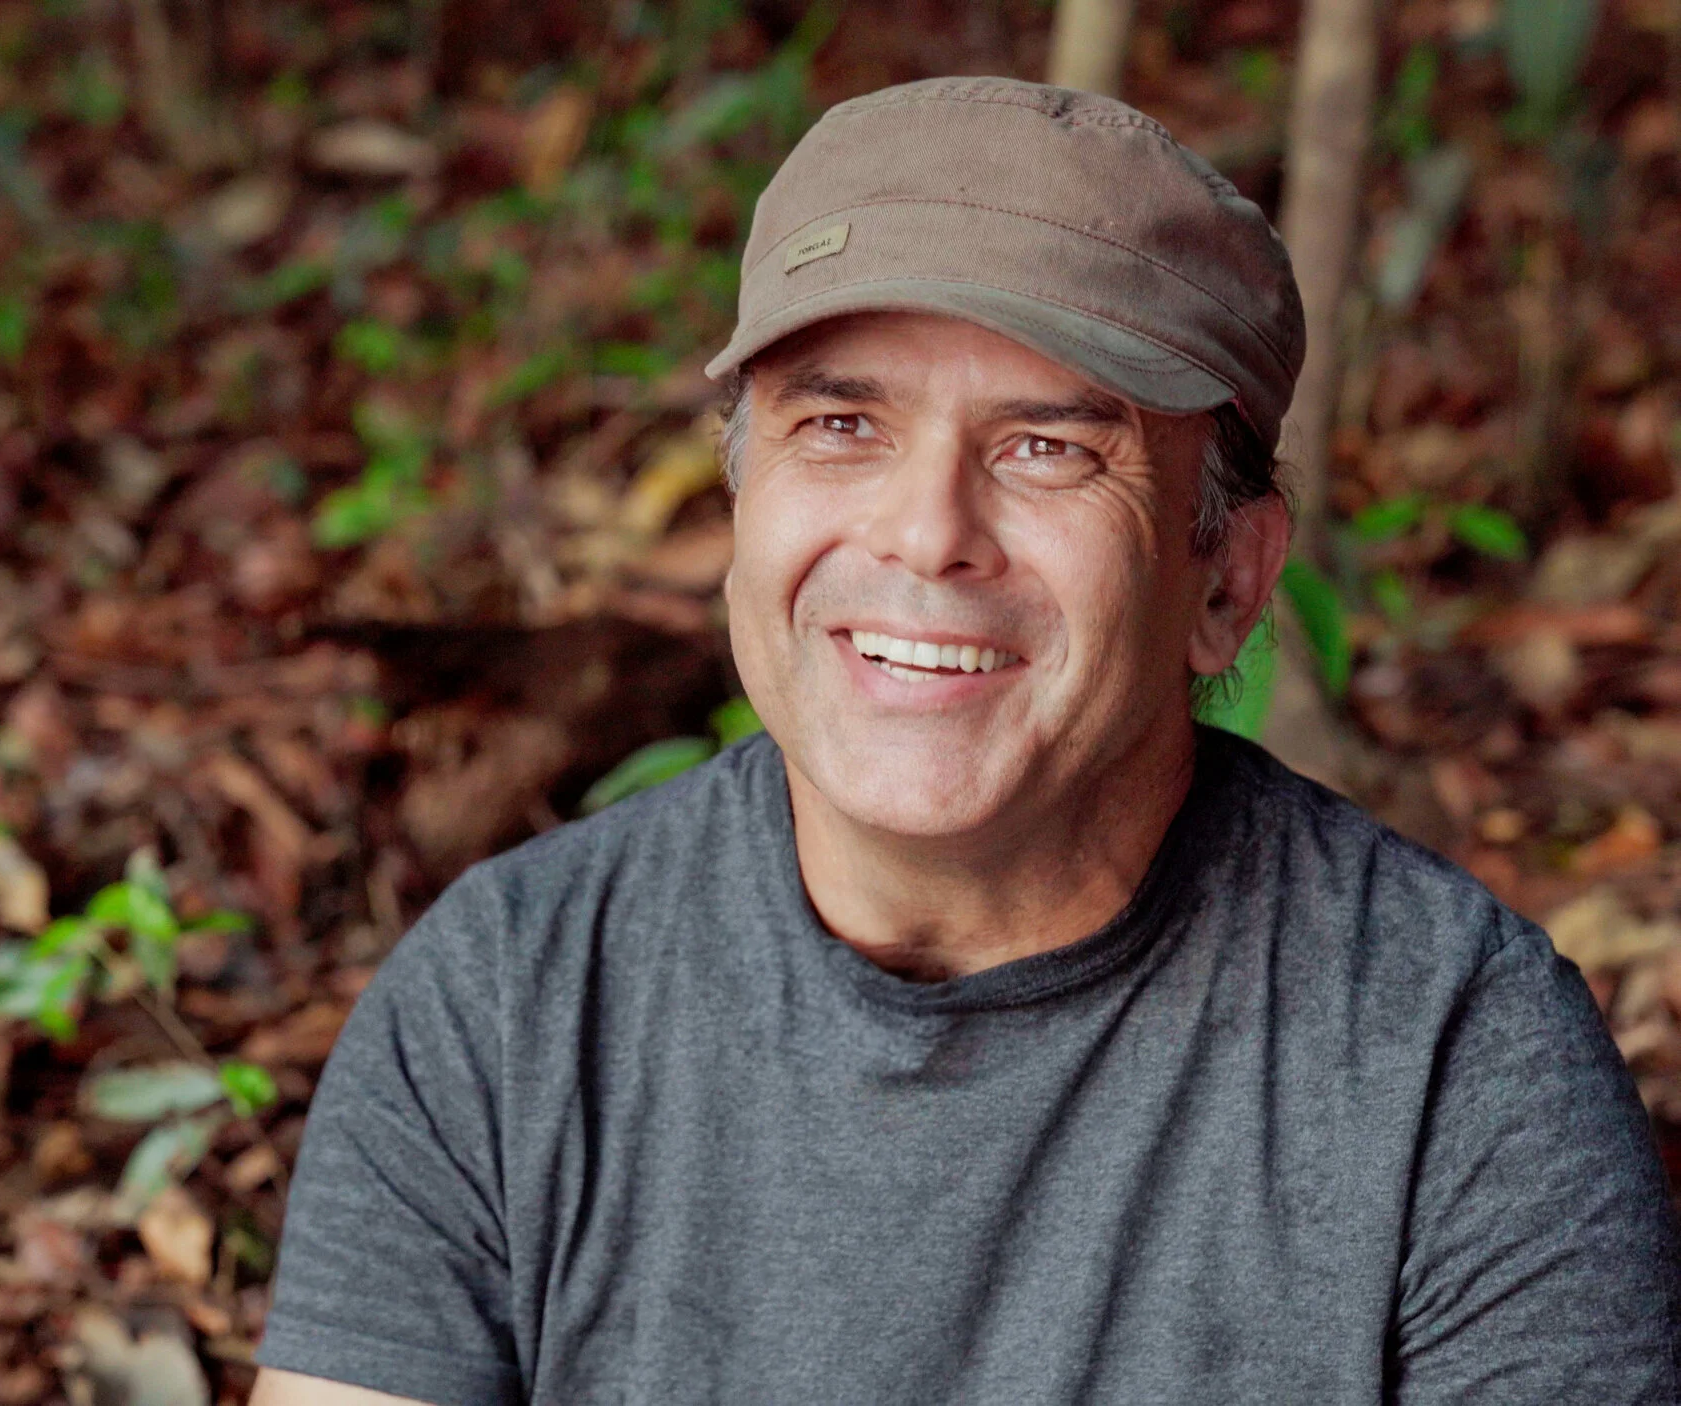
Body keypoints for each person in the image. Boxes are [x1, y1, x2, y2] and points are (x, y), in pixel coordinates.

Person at [247, 77, 1681, 1404]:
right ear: (739, 510)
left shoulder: (1451, 1067)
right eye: (842, 425)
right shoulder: (508, 1006)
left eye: (1047, 447)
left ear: (1227, 581)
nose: (928, 533)